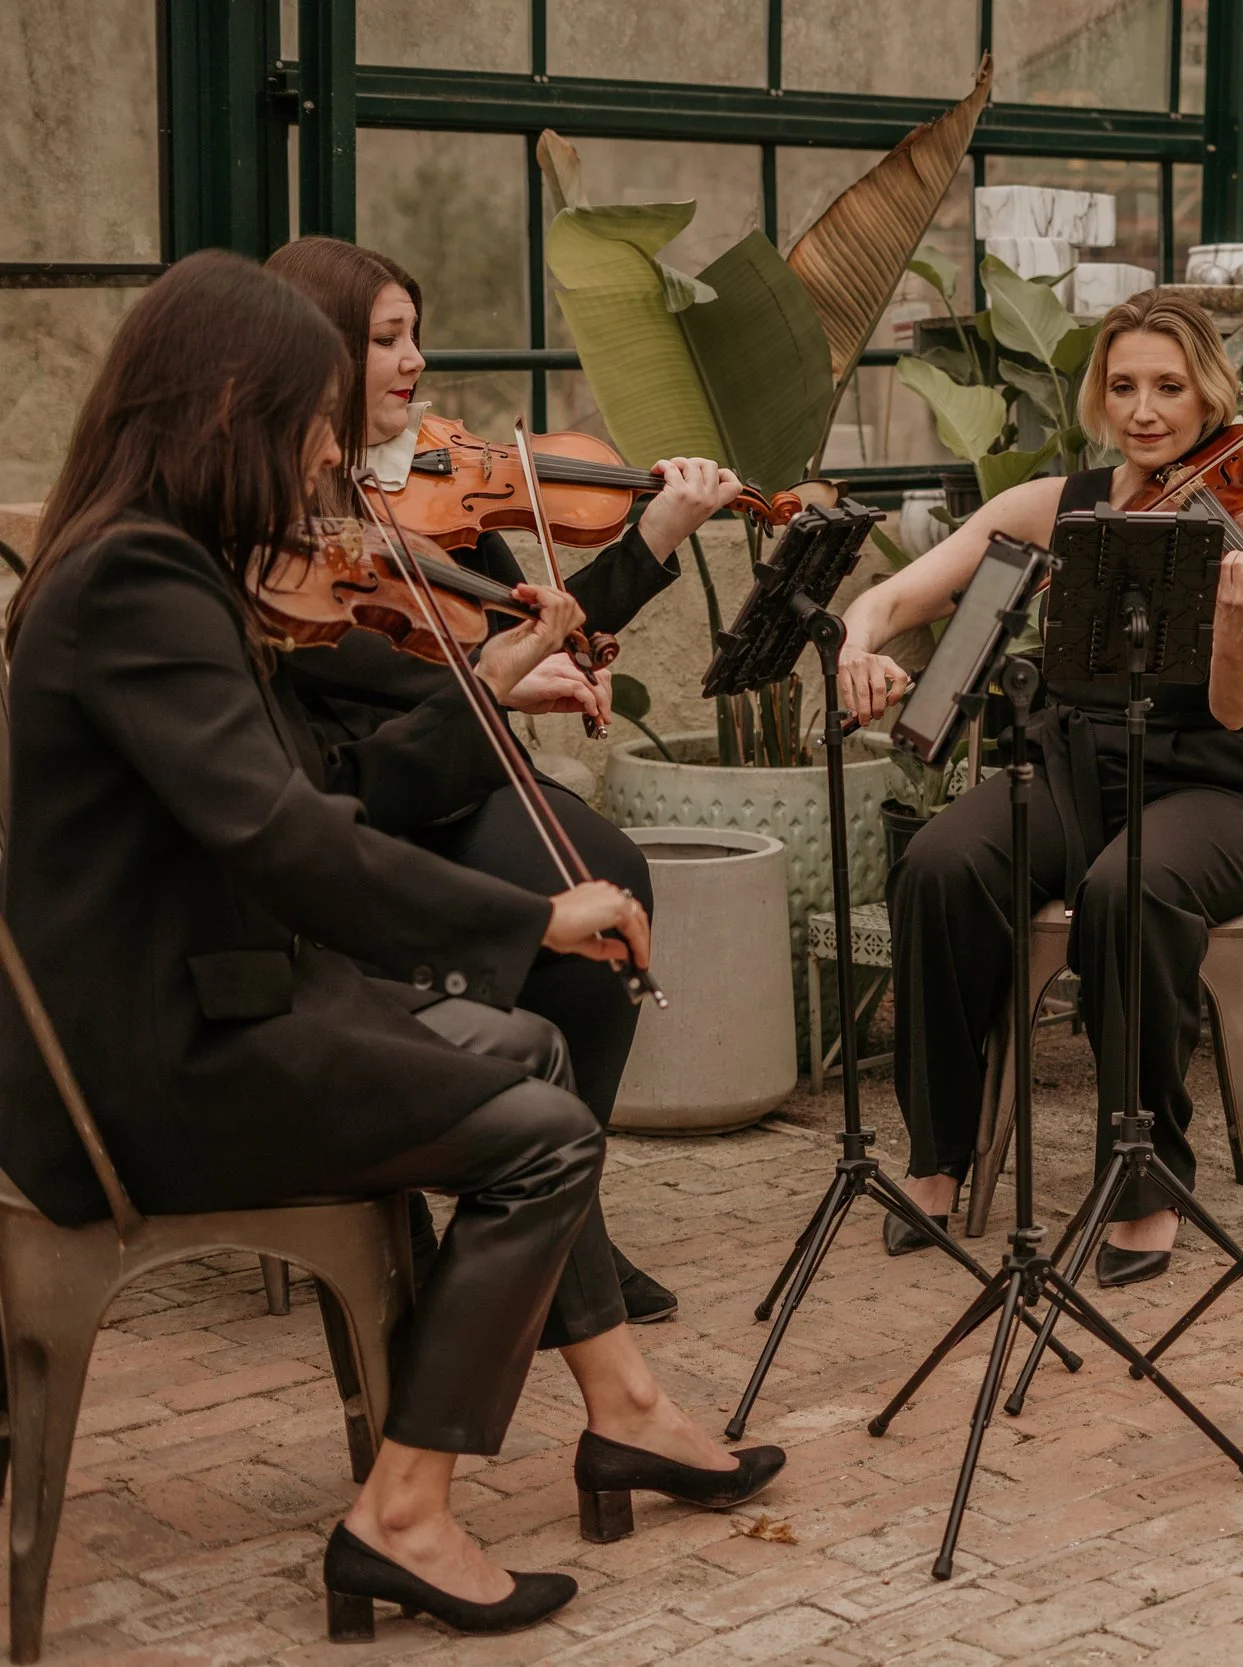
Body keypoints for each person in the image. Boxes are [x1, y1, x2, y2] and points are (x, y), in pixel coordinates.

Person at [0, 252, 780, 1640]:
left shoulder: (162, 566)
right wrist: (530, 912)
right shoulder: (139, 587)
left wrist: (479, 679)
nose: (325, 454)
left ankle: (611, 1410)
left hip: (208, 1002)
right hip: (157, 1061)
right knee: (544, 1129)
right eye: (309, 418)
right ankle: (407, 1510)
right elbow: (294, 844)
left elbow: (330, 796)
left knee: (534, 1044)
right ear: (230, 407)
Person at [265, 235, 745, 1323]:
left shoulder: (435, 483)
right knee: (568, 899)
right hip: (365, 798)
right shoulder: (279, 522)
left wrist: (657, 536)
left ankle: (556, 1207)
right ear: (319, 349)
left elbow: (546, 628)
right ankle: (527, 1216)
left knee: (611, 882)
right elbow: (378, 670)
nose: (414, 362)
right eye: (388, 339)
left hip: (460, 769)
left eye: (415, 336)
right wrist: (490, 681)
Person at [839, 292, 1243, 1288]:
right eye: (1124, 384)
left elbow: (1235, 707)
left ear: (1207, 391)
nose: (1145, 408)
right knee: (940, 865)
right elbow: (905, 591)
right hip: (1075, 768)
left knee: (1129, 888)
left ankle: (1142, 1180)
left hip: (1212, 788)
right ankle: (937, 1155)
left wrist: (1229, 630)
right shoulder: (1058, 504)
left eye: (1168, 387)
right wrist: (856, 640)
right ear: (1099, 394)